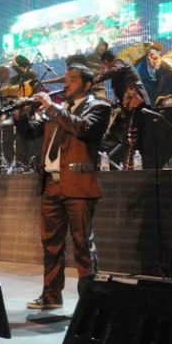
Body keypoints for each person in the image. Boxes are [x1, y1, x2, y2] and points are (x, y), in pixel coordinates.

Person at [14, 64, 111, 309]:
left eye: (73, 79)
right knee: (51, 245)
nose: (66, 83)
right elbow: (30, 133)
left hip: (78, 184)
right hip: (51, 185)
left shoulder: (99, 107)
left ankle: (90, 303)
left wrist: (52, 108)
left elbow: (83, 128)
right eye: (66, 78)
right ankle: (51, 296)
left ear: (87, 85)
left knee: (82, 246)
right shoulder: (59, 110)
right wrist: (21, 114)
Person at [95, 50, 151, 169]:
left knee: (132, 134)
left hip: (136, 102)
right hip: (130, 104)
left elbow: (114, 71)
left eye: (105, 65)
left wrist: (96, 80)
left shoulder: (119, 63)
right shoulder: (120, 69)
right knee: (130, 135)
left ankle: (132, 166)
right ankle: (132, 165)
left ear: (106, 62)